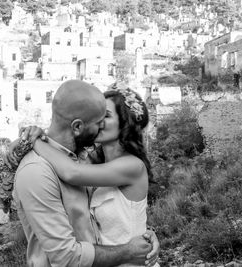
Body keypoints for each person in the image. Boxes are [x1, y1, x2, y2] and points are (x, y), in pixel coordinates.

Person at [12, 80, 159, 267]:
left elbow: (71, 172)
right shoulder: (88, 160)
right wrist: (29, 139)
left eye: (105, 116)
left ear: (124, 126)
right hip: (116, 258)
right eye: (96, 117)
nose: (98, 122)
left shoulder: (132, 166)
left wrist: (35, 141)